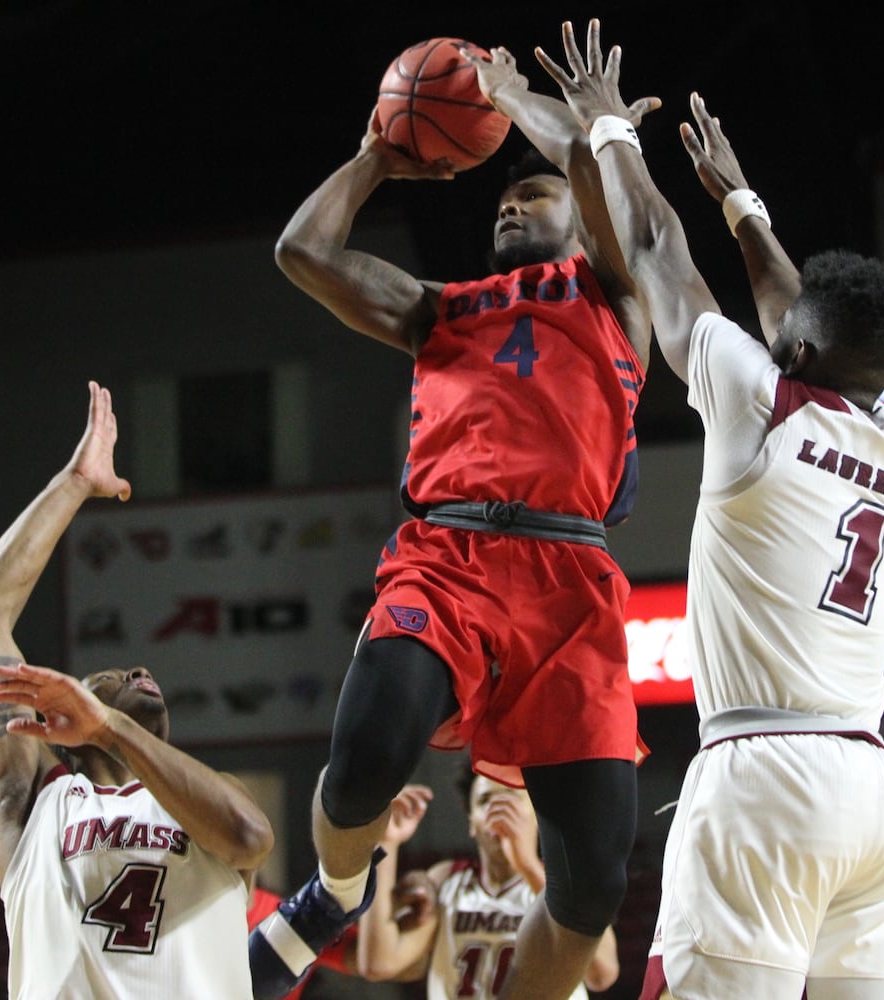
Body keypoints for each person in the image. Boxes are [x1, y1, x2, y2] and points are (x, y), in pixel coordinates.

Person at [247, 42, 660, 1000]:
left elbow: (598, 178)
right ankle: (335, 893)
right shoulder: (441, 310)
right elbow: (300, 253)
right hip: (448, 558)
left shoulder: (614, 295)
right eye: (503, 201)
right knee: (359, 770)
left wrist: (512, 98)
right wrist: (376, 157)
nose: (512, 204)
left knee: (593, 882)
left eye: (533, 198)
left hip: (569, 583)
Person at [534, 20, 884, 1000]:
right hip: (876, 795)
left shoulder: (759, 404)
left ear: (791, 348)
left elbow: (660, 250)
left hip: (764, 779)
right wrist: (743, 204)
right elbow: (802, 317)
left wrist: (611, 135)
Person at [0, 380, 275, 999]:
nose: (136, 673)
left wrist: (108, 725)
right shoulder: (32, 804)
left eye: (137, 675)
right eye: (110, 677)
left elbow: (250, 838)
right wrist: (76, 482)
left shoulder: (205, 800)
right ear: (61, 717)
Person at [356, 778, 619, 999]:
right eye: (484, 801)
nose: (497, 808)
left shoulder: (570, 883)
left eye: (510, 797)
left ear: (538, 814)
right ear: (471, 823)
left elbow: (602, 973)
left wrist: (526, 863)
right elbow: (379, 963)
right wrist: (385, 842)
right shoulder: (447, 879)